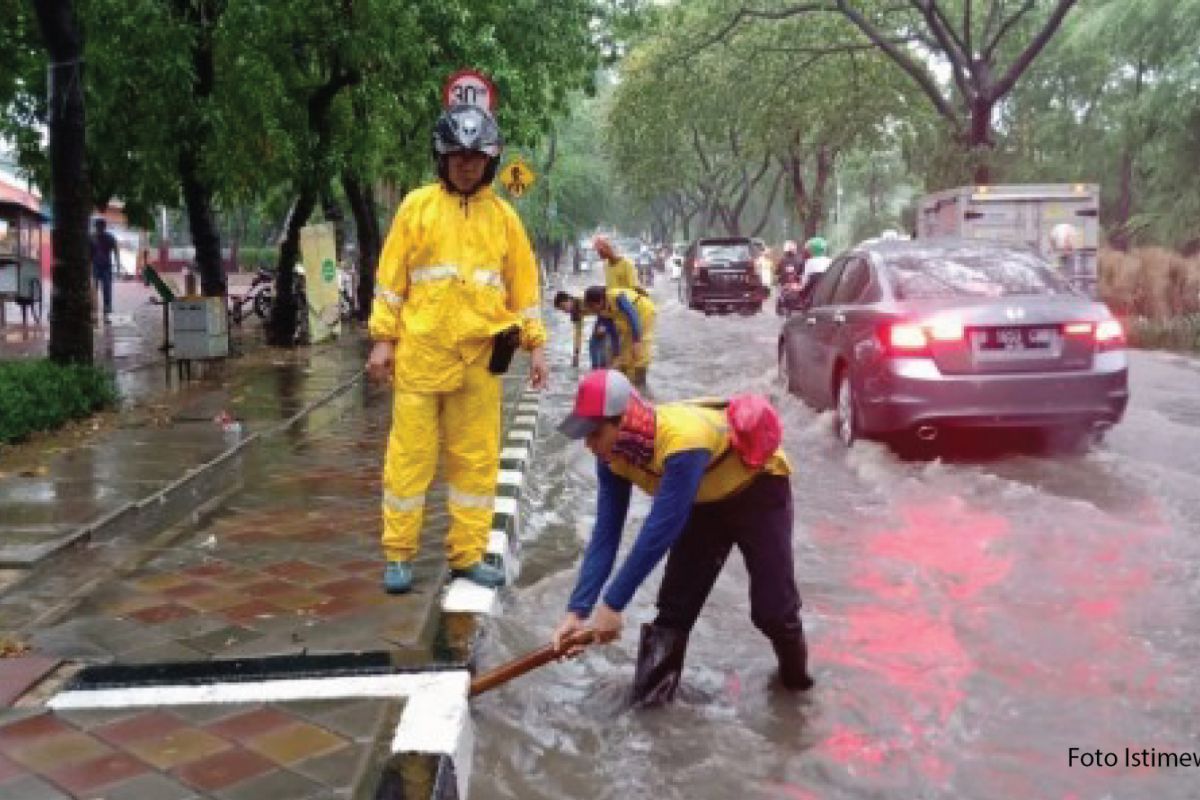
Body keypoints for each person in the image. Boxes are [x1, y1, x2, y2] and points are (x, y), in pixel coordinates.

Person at [366, 103, 549, 595]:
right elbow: (390, 282)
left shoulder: (504, 219)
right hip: (420, 357)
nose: (465, 165)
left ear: (489, 162)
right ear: (441, 159)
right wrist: (383, 342)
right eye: (456, 156)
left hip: (479, 363)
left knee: (475, 463)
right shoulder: (416, 207)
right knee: (409, 461)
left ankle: (468, 556)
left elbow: (524, 289)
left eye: (475, 157)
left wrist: (536, 347)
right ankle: (399, 554)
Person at [553, 369, 814, 707]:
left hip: (758, 495)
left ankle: (797, 693)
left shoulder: (682, 444)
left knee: (774, 612)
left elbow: (661, 529)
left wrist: (613, 604)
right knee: (674, 611)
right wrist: (578, 611)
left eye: (594, 433)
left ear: (624, 422)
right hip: (702, 504)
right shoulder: (612, 457)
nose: (588, 444)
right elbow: (606, 533)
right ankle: (648, 712)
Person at [582, 285, 655, 388]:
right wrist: (616, 354)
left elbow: (632, 314)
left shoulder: (616, 297)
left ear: (600, 301)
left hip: (643, 312)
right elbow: (613, 334)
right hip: (626, 320)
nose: (593, 310)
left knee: (639, 354)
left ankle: (641, 387)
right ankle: (627, 387)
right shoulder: (602, 312)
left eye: (593, 306)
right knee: (624, 357)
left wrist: (636, 340)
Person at [554, 290, 619, 369]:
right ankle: (596, 368)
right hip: (602, 315)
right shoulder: (575, 313)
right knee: (593, 344)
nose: (565, 311)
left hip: (609, 311)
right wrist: (576, 354)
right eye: (562, 310)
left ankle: (605, 365)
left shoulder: (584, 301)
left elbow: (601, 305)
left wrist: (603, 325)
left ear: (569, 299)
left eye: (564, 307)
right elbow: (578, 334)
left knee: (601, 340)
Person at [89, 218, 121, 322]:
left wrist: (118, 264)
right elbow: (87, 253)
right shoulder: (92, 238)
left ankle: (106, 312)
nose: (99, 229)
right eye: (98, 227)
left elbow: (116, 250)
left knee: (107, 289)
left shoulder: (110, 237)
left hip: (106, 267)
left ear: (104, 227)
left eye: (101, 227)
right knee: (93, 290)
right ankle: (94, 313)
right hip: (95, 267)